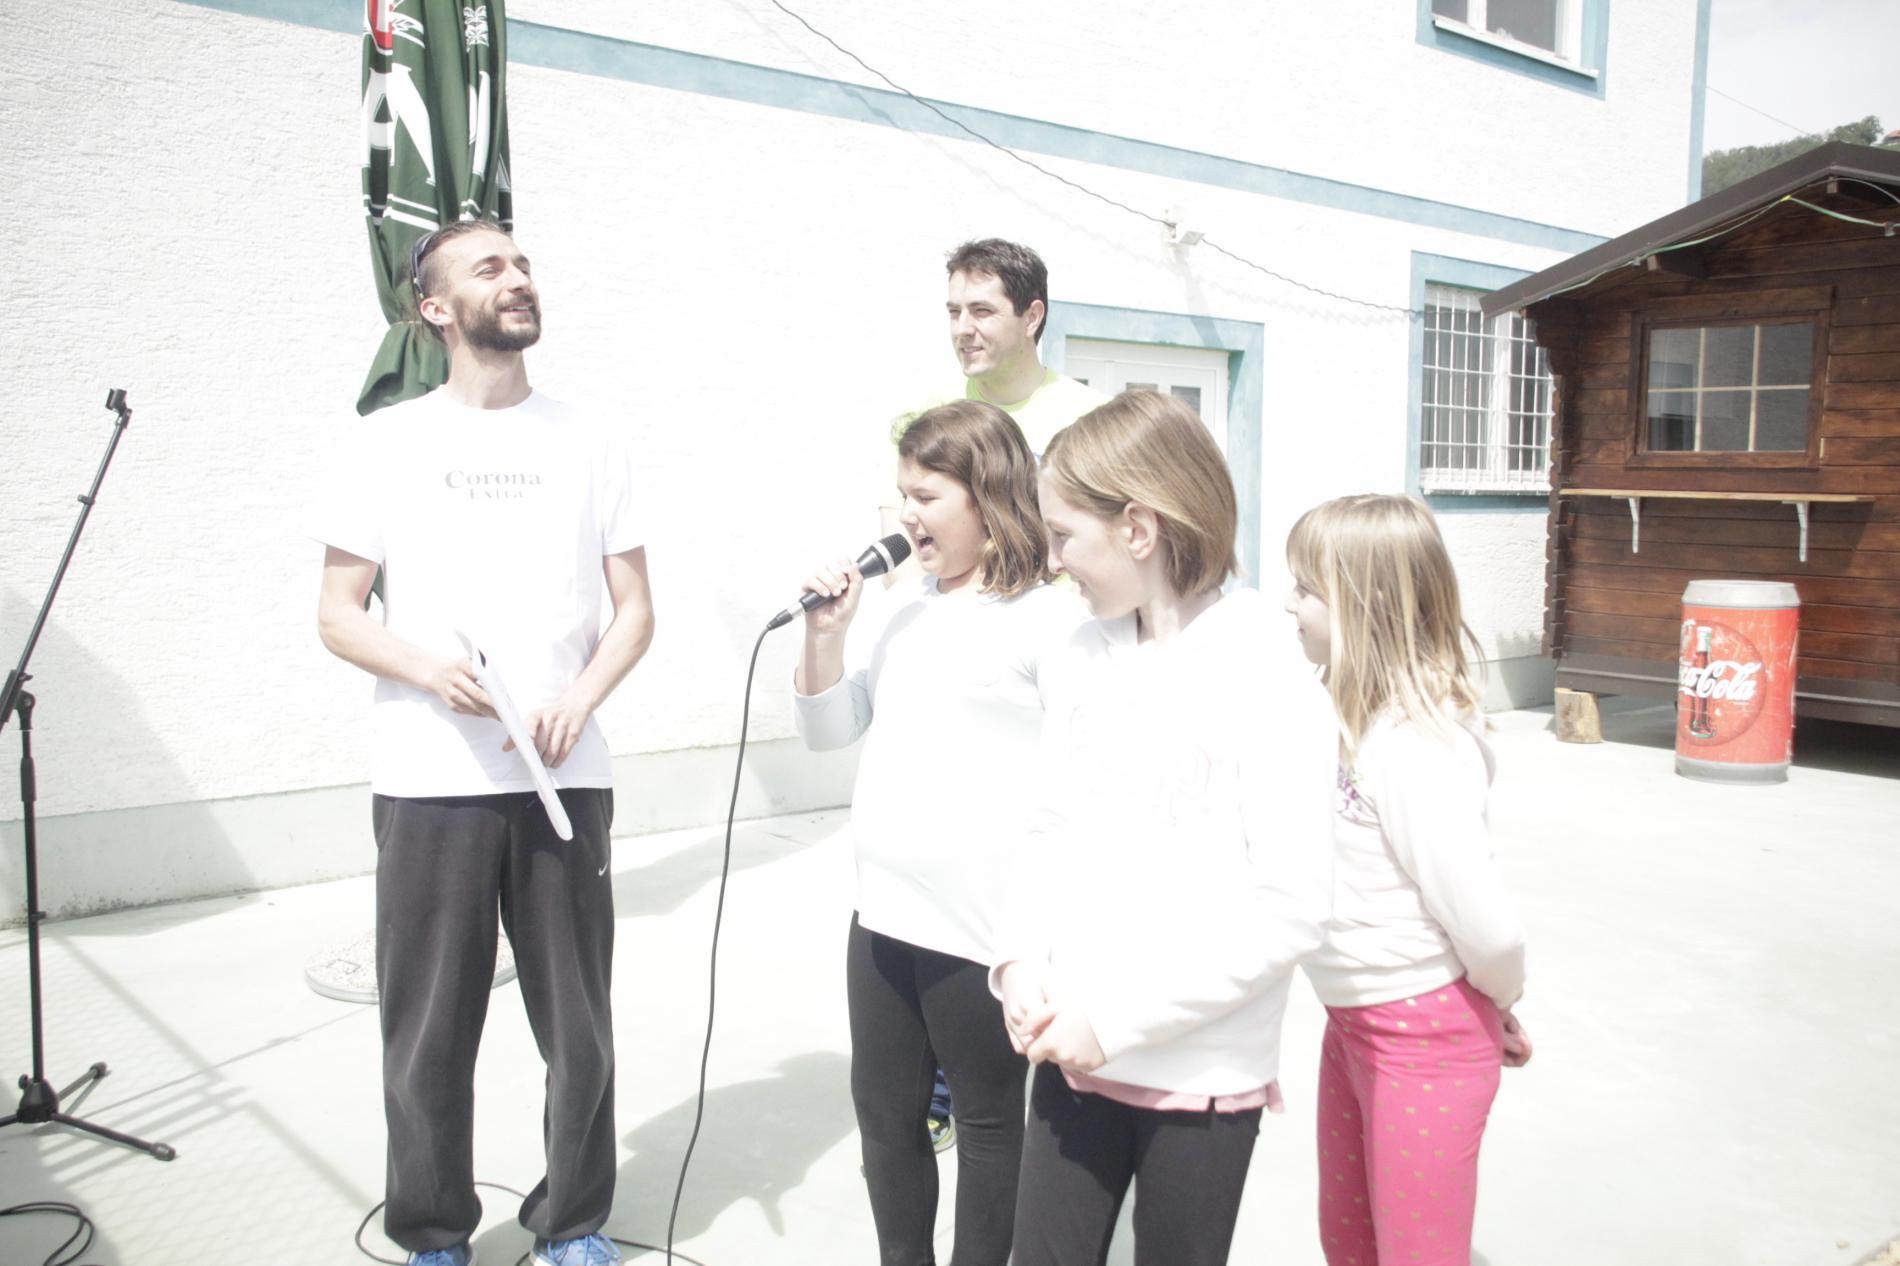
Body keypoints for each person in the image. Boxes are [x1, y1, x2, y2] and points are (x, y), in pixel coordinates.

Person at [314, 219, 655, 1266]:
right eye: (489, 267)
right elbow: (338, 613)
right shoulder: (386, 442)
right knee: (426, 1033)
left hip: (564, 778)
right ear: (434, 308)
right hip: (429, 782)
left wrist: (581, 697)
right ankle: (432, 1233)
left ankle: (574, 1223)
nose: (517, 278)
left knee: (579, 1027)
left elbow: (635, 610)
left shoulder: (589, 439)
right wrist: (429, 671)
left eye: (522, 264)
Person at [992, 390, 1336, 1266]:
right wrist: (1019, 959)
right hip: (1072, 1054)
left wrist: (1115, 1021)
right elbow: (1047, 824)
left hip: (1200, 1078)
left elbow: (1291, 907)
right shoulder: (1084, 651)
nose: (1053, 562)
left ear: (1138, 528)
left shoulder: (1266, 671)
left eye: (1064, 536)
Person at [793, 399, 1089, 1266]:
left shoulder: (1050, 619)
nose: (906, 516)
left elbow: (1082, 779)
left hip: (981, 932)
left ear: (987, 495)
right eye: (902, 495)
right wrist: (825, 636)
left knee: (990, 1124)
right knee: (885, 1117)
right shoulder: (902, 608)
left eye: (926, 497)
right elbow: (828, 730)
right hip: (883, 917)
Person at [1283, 493, 1530, 1266]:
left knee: (1415, 1253)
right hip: (1352, 1024)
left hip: (1425, 1037)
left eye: (1305, 589)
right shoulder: (1339, 717)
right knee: (1350, 1243)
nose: (1289, 605)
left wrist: (1500, 1002)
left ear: (1365, 605)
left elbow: (1486, 925)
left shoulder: (1417, 745)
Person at [879, 238, 1108, 550]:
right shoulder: (924, 419)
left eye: (982, 311)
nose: (962, 328)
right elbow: (901, 550)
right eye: (954, 312)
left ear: (1032, 317)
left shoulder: (1095, 418)